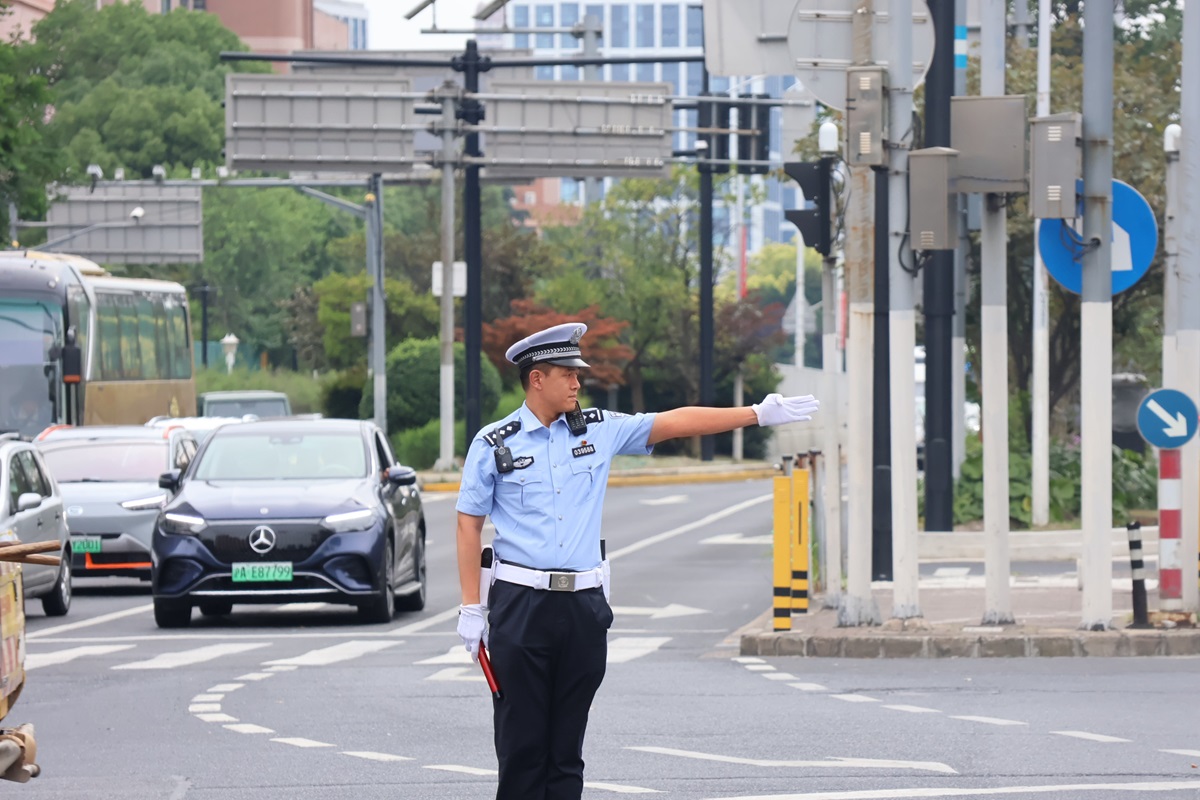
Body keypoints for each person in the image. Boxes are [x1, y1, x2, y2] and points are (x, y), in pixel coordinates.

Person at [455, 322, 819, 800]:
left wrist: (756, 414)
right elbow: (468, 525)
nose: (578, 382)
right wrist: (471, 607)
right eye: (568, 373)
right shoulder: (493, 443)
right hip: (521, 605)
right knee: (522, 748)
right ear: (537, 379)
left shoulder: (599, 429)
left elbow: (674, 422)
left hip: (582, 607)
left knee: (566, 751)